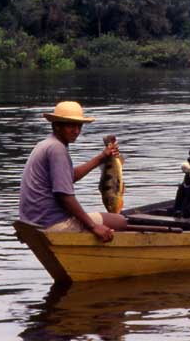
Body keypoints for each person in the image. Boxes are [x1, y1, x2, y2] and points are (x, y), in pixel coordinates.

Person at [19, 101, 127, 242]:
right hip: (51, 224)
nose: (76, 131)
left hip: (32, 222)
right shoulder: (57, 149)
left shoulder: (46, 144)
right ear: (57, 126)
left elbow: (70, 177)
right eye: (71, 125)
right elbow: (64, 196)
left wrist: (102, 157)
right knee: (120, 221)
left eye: (79, 126)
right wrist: (93, 226)